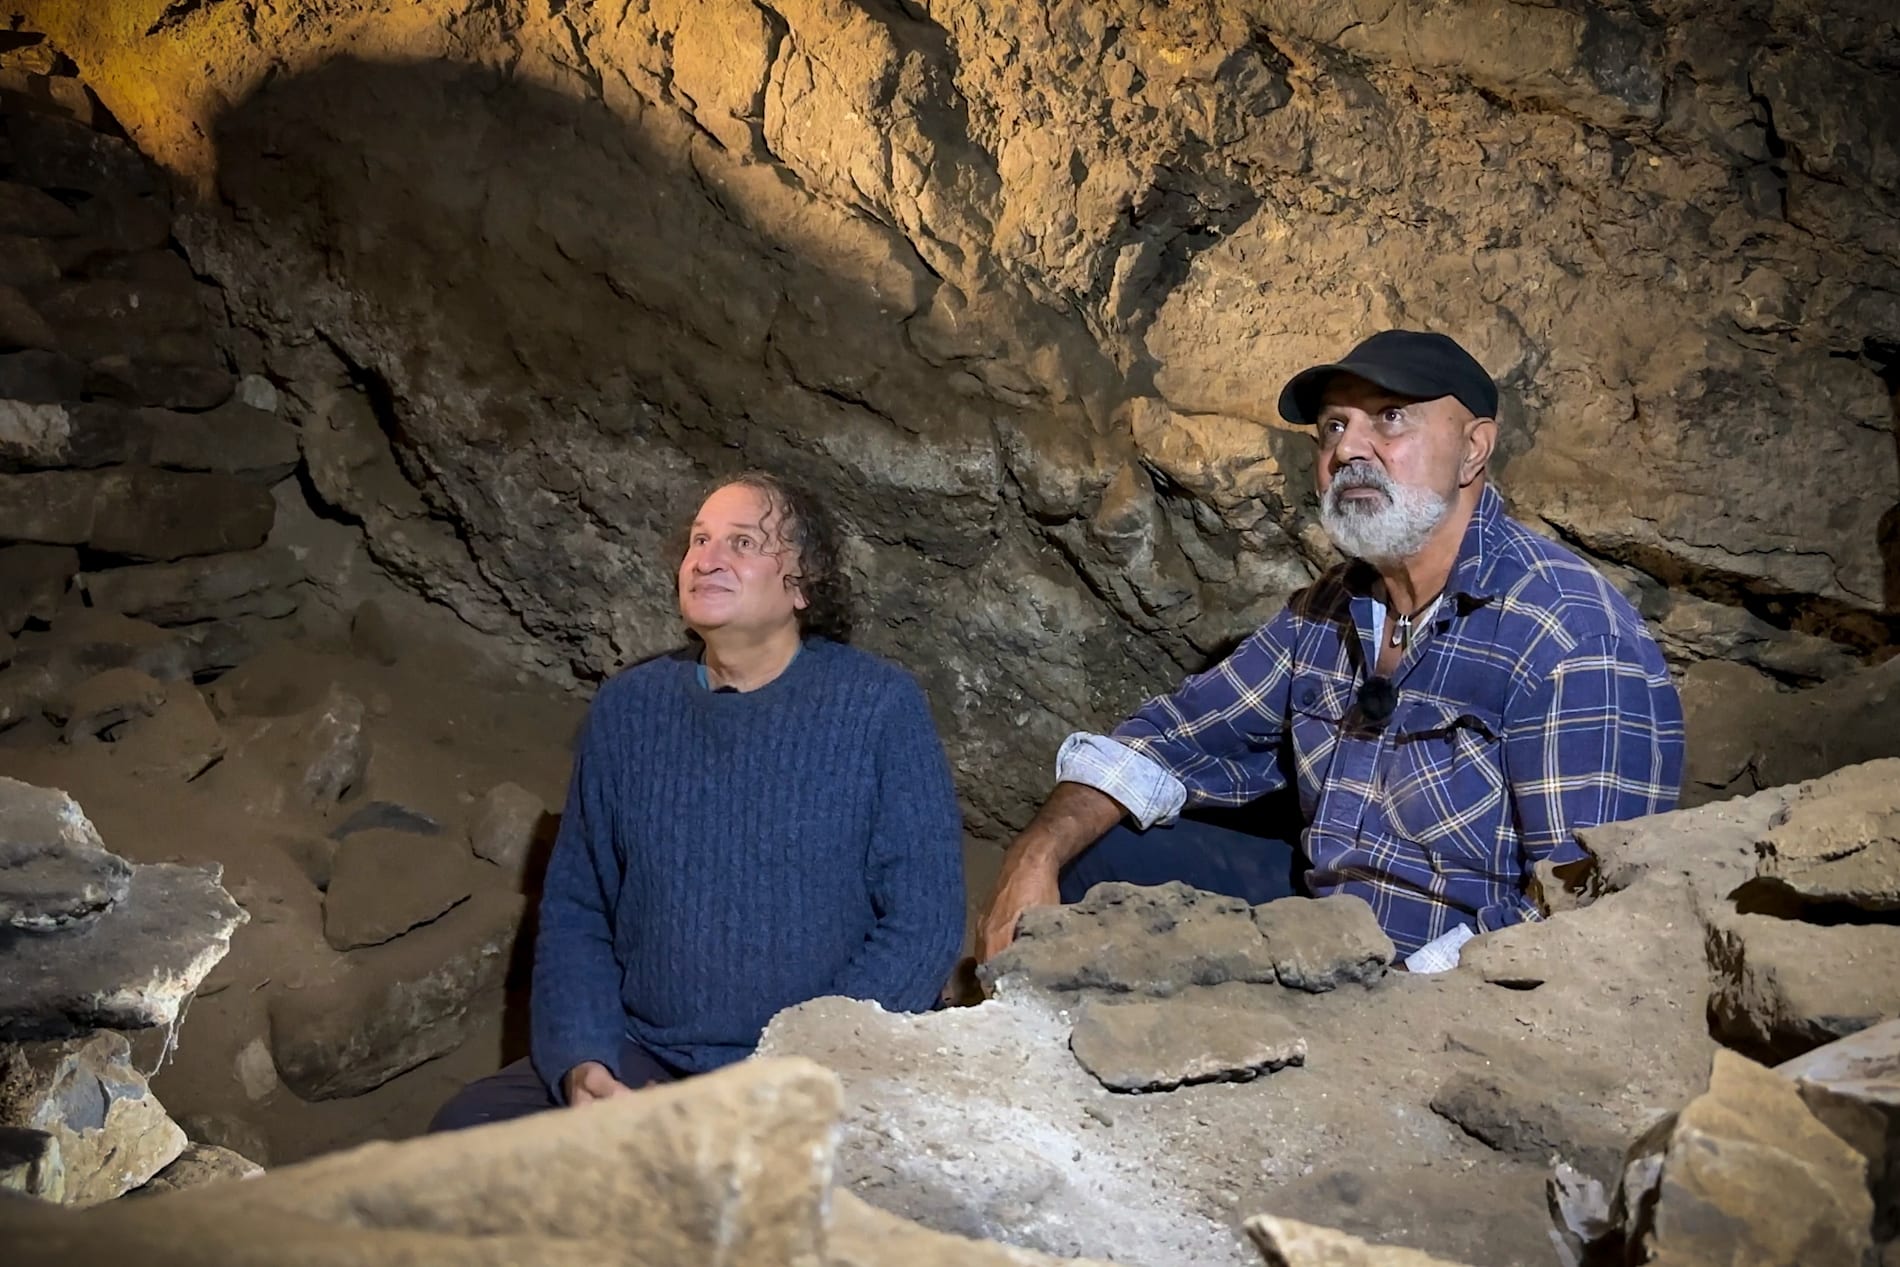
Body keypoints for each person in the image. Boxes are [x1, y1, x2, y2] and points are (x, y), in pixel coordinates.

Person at [977, 330, 1684, 972]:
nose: (1348, 448)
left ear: (1473, 448)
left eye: (1390, 417)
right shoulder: (1330, 611)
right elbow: (1168, 741)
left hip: (1464, 991)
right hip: (1330, 936)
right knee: (1096, 853)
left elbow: (1579, 907)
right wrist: (1033, 852)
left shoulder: (1568, 635)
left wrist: (1370, 1013)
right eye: (1334, 427)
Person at [431, 472, 965, 1129]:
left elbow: (924, 920)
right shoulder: (630, 709)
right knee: (465, 1132)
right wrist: (583, 1059)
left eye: (742, 542)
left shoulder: (878, 707)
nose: (706, 558)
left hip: (816, 1071)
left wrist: (798, 1066)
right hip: (651, 1057)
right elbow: (580, 905)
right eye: (699, 540)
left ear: (801, 581)